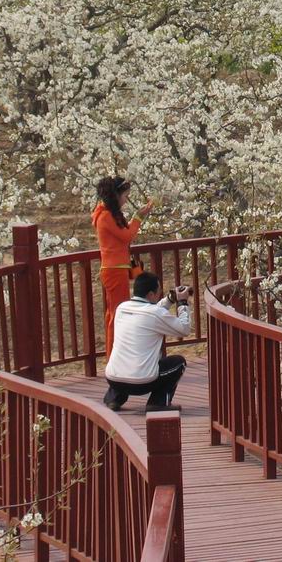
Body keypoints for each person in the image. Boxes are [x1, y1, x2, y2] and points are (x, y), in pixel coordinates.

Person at [103, 271, 191, 412]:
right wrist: (182, 303)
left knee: (125, 358)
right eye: (159, 291)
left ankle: (113, 399)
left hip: (113, 379)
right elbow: (184, 329)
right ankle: (158, 402)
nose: (160, 293)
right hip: (142, 383)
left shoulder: (121, 308)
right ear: (151, 294)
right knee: (179, 362)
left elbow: (150, 311)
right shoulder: (155, 314)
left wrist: (169, 299)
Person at [92, 176, 155, 357]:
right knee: (117, 314)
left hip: (117, 269)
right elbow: (127, 236)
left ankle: (114, 354)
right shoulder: (105, 216)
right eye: (125, 196)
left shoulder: (109, 214)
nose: (126, 200)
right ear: (116, 195)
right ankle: (114, 356)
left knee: (114, 312)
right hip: (114, 270)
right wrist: (138, 218)